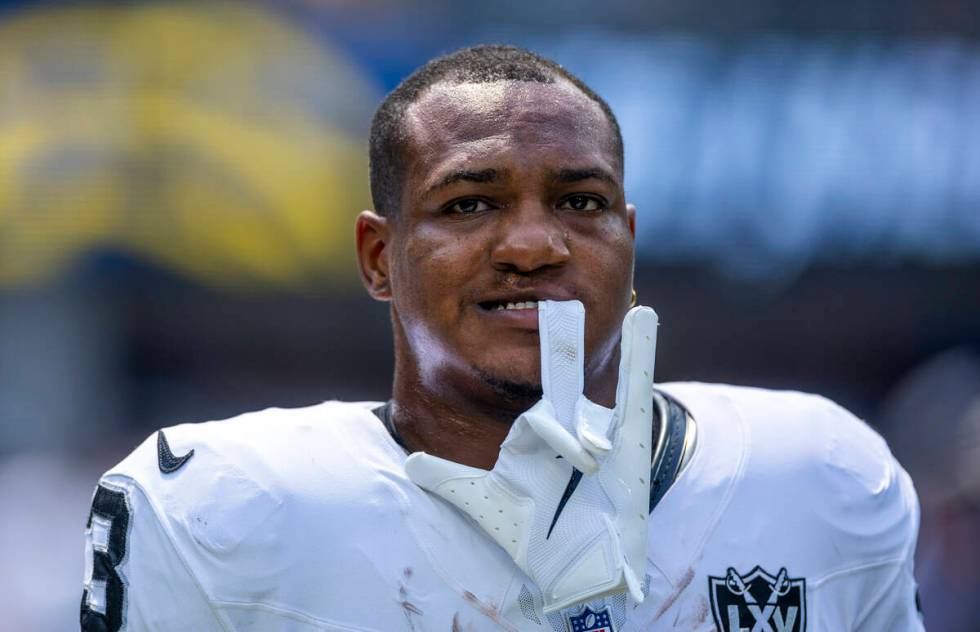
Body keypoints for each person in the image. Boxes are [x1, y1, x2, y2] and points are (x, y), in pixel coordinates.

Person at [81, 45, 924, 631]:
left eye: (580, 203)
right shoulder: (218, 509)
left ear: (628, 242)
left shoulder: (823, 476)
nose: (533, 246)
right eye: (469, 204)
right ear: (380, 258)